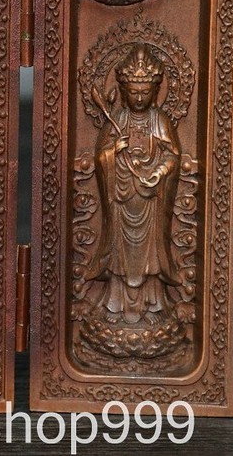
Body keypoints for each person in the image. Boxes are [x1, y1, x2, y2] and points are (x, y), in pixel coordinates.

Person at [85, 43, 181, 325]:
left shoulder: (159, 120)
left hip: (150, 200)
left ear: (155, 92)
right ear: (124, 92)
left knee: (150, 256)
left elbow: (172, 155)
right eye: (134, 92)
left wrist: (158, 173)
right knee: (120, 255)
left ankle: (153, 304)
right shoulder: (118, 119)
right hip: (122, 198)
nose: (139, 98)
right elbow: (101, 157)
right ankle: (114, 304)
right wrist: (114, 151)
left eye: (145, 92)